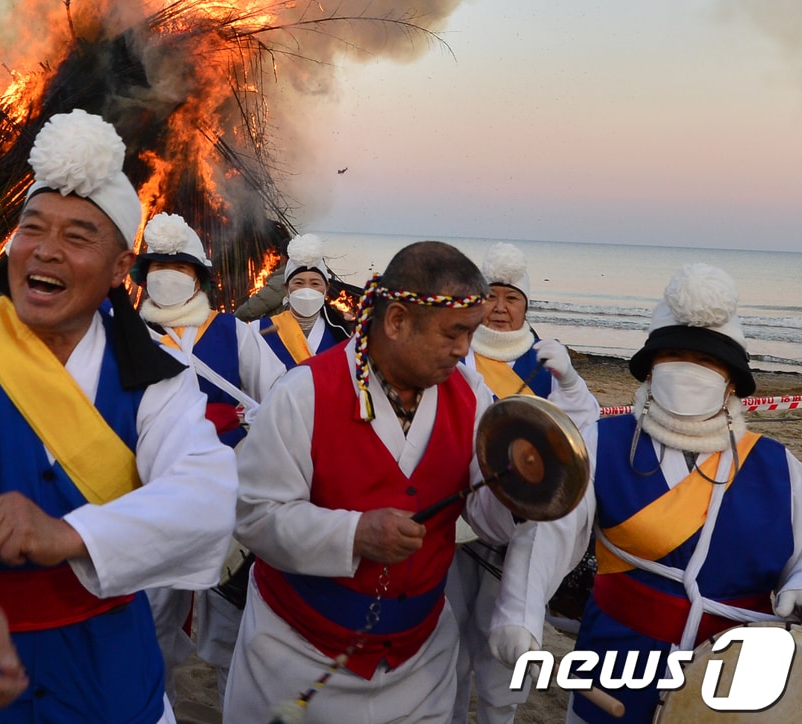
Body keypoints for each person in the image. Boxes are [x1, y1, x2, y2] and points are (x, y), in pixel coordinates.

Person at [0, 110, 238, 722]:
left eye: (78, 236)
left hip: (110, 677)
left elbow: (206, 494)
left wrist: (67, 535)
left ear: (123, 268)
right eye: (32, 228)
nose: (45, 250)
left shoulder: (156, 379)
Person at [223, 241, 548, 723]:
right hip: (293, 654)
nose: (465, 350)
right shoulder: (303, 393)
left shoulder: (472, 396)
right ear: (396, 321)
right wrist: (353, 533)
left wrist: (524, 490)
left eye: (471, 334)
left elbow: (492, 522)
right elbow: (256, 516)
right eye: (454, 333)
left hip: (419, 665)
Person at [487, 264, 802, 724]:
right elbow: (548, 536)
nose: (689, 369)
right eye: (674, 354)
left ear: (732, 379)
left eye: (707, 361)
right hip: (614, 671)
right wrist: (520, 614)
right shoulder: (601, 442)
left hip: (734, 692)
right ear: (651, 369)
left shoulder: (782, 467)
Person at [132, 211, 285, 699]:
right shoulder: (122, 337)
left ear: (198, 276)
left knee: (229, 627)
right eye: (158, 266)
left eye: (180, 268)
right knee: (152, 622)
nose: (169, 276)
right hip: (151, 499)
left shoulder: (234, 334)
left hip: (226, 500)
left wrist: (261, 428)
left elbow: (281, 397)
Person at [447, 243, 600, 724]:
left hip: (518, 530)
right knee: (446, 646)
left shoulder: (546, 360)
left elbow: (581, 438)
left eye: (511, 297)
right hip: (454, 523)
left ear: (526, 304)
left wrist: (573, 385)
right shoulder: (455, 349)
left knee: (500, 658)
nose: (499, 307)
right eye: (491, 295)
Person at [252, 233, 360, 369]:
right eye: (299, 283)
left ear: (326, 288)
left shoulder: (341, 335)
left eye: (315, 284)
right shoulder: (260, 330)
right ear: (287, 288)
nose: (307, 290)